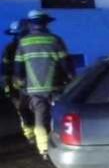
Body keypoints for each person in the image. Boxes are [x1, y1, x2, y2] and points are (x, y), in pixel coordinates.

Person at [13, 10, 74, 158]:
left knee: (39, 119)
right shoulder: (55, 40)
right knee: (58, 115)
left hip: (33, 89)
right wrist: (71, 77)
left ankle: (44, 149)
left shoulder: (23, 42)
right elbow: (65, 63)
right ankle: (62, 144)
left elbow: (18, 67)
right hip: (56, 87)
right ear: (46, 23)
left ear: (30, 24)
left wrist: (19, 82)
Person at [1, 19, 35, 144]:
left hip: (28, 85)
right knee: (25, 111)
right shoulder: (10, 49)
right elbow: (5, 71)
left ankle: (33, 135)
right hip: (23, 86)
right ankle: (31, 135)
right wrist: (8, 88)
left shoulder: (12, 48)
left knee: (27, 111)